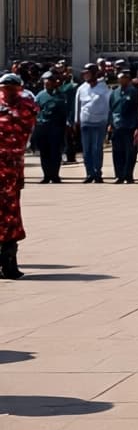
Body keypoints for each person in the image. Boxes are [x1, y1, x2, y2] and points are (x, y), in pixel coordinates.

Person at [0, 73, 39, 279]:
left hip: (12, 169)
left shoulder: (27, 106)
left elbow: (27, 128)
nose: (8, 91)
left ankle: (8, 262)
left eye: (12, 88)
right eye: (5, 87)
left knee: (11, 215)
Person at [74, 63, 110, 184]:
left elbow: (108, 105)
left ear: (94, 74)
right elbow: (78, 105)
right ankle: (89, 173)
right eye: (84, 73)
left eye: (88, 73)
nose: (85, 75)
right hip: (85, 122)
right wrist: (76, 120)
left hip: (99, 122)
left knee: (96, 148)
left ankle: (97, 173)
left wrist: (109, 121)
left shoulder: (103, 88)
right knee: (86, 150)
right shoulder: (82, 88)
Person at [32, 71, 69, 184]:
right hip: (42, 127)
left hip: (56, 128)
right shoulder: (39, 96)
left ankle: (55, 175)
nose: (46, 84)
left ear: (54, 83)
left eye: (48, 82)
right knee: (44, 153)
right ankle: (46, 175)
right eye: (45, 82)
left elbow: (65, 112)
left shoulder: (61, 96)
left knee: (55, 153)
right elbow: (34, 111)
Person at [108, 66, 138, 183]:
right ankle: (119, 175)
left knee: (130, 152)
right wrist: (110, 124)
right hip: (117, 126)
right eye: (120, 78)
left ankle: (128, 175)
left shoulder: (134, 92)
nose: (122, 80)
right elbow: (111, 109)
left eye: (124, 78)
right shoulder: (114, 92)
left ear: (128, 79)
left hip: (130, 126)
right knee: (117, 152)